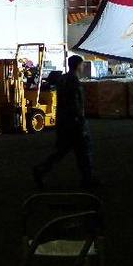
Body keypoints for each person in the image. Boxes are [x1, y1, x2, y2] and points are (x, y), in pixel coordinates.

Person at [32, 55, 101, 189]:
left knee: (62, 151)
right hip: (74, 123)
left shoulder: (62, 79)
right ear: (78, 65)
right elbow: (76, 105)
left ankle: (42, 169)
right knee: (84, 151)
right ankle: (89, 178)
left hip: (62, 121)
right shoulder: (74, 82)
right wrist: (81, 124)